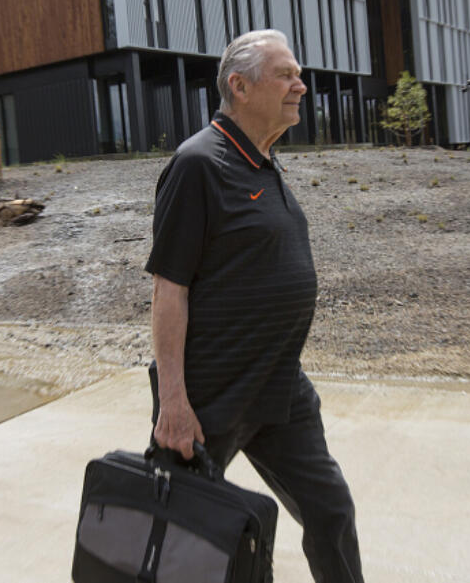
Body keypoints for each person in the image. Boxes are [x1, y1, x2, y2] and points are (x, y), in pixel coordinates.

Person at [145, 29, 365, 582]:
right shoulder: (198, 164)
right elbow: (169, 289)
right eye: (286, 75)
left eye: (298, 73)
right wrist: (173, 400)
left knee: (330, 510)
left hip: (278, 385)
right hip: (211, 393)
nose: (301, 86)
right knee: (188, 542)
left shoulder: (263, 161)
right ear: (239, 87)